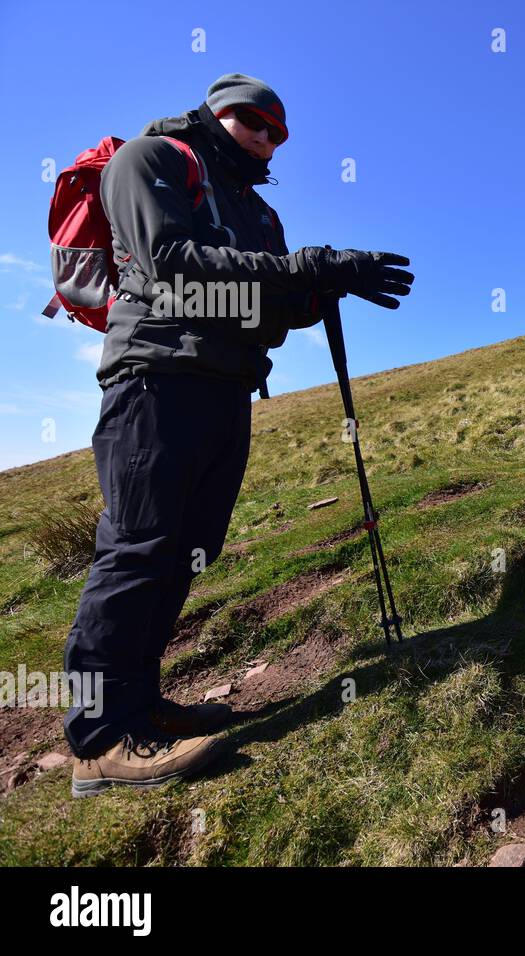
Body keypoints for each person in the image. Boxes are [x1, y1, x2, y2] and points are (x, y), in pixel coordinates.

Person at [63, 73, 415, 797]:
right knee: (137, 548)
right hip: (155, 381)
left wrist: (320, 291)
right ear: (216, 113)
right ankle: (99, 741)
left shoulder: (258, 213)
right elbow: (174, 271)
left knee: (185, 553)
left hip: (228, 391)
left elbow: (269, 309)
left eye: (277, 131)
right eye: (252, 120)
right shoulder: (152, 159)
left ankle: (143, 704)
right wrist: (303, 269)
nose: (265, 136)